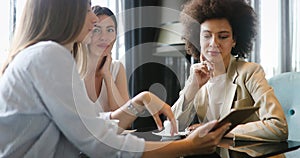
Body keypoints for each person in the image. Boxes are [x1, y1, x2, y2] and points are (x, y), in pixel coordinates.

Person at [0, 0, 230, 157]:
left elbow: (91, 125)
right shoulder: (49, 55)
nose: (93, 20)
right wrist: (187, 146)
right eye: (88, 9)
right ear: (65, 12)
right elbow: (99, 143)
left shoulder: (40, 56)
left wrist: (139, 100)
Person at [172, 0, 288, 142]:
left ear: (234, 40)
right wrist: (192, 88)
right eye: (207, 36)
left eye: (223, 36)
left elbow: (278, 127)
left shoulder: (250, 72)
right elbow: (172, 127)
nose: (214, 43)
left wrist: (217, 130)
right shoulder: (196, 76)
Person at [76, 6, 129, 112]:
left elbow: (125, 119)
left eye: (110, 30)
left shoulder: (117, 68)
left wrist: (107, 75)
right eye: (96, 30)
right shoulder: (73, 68)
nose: (104, 37)